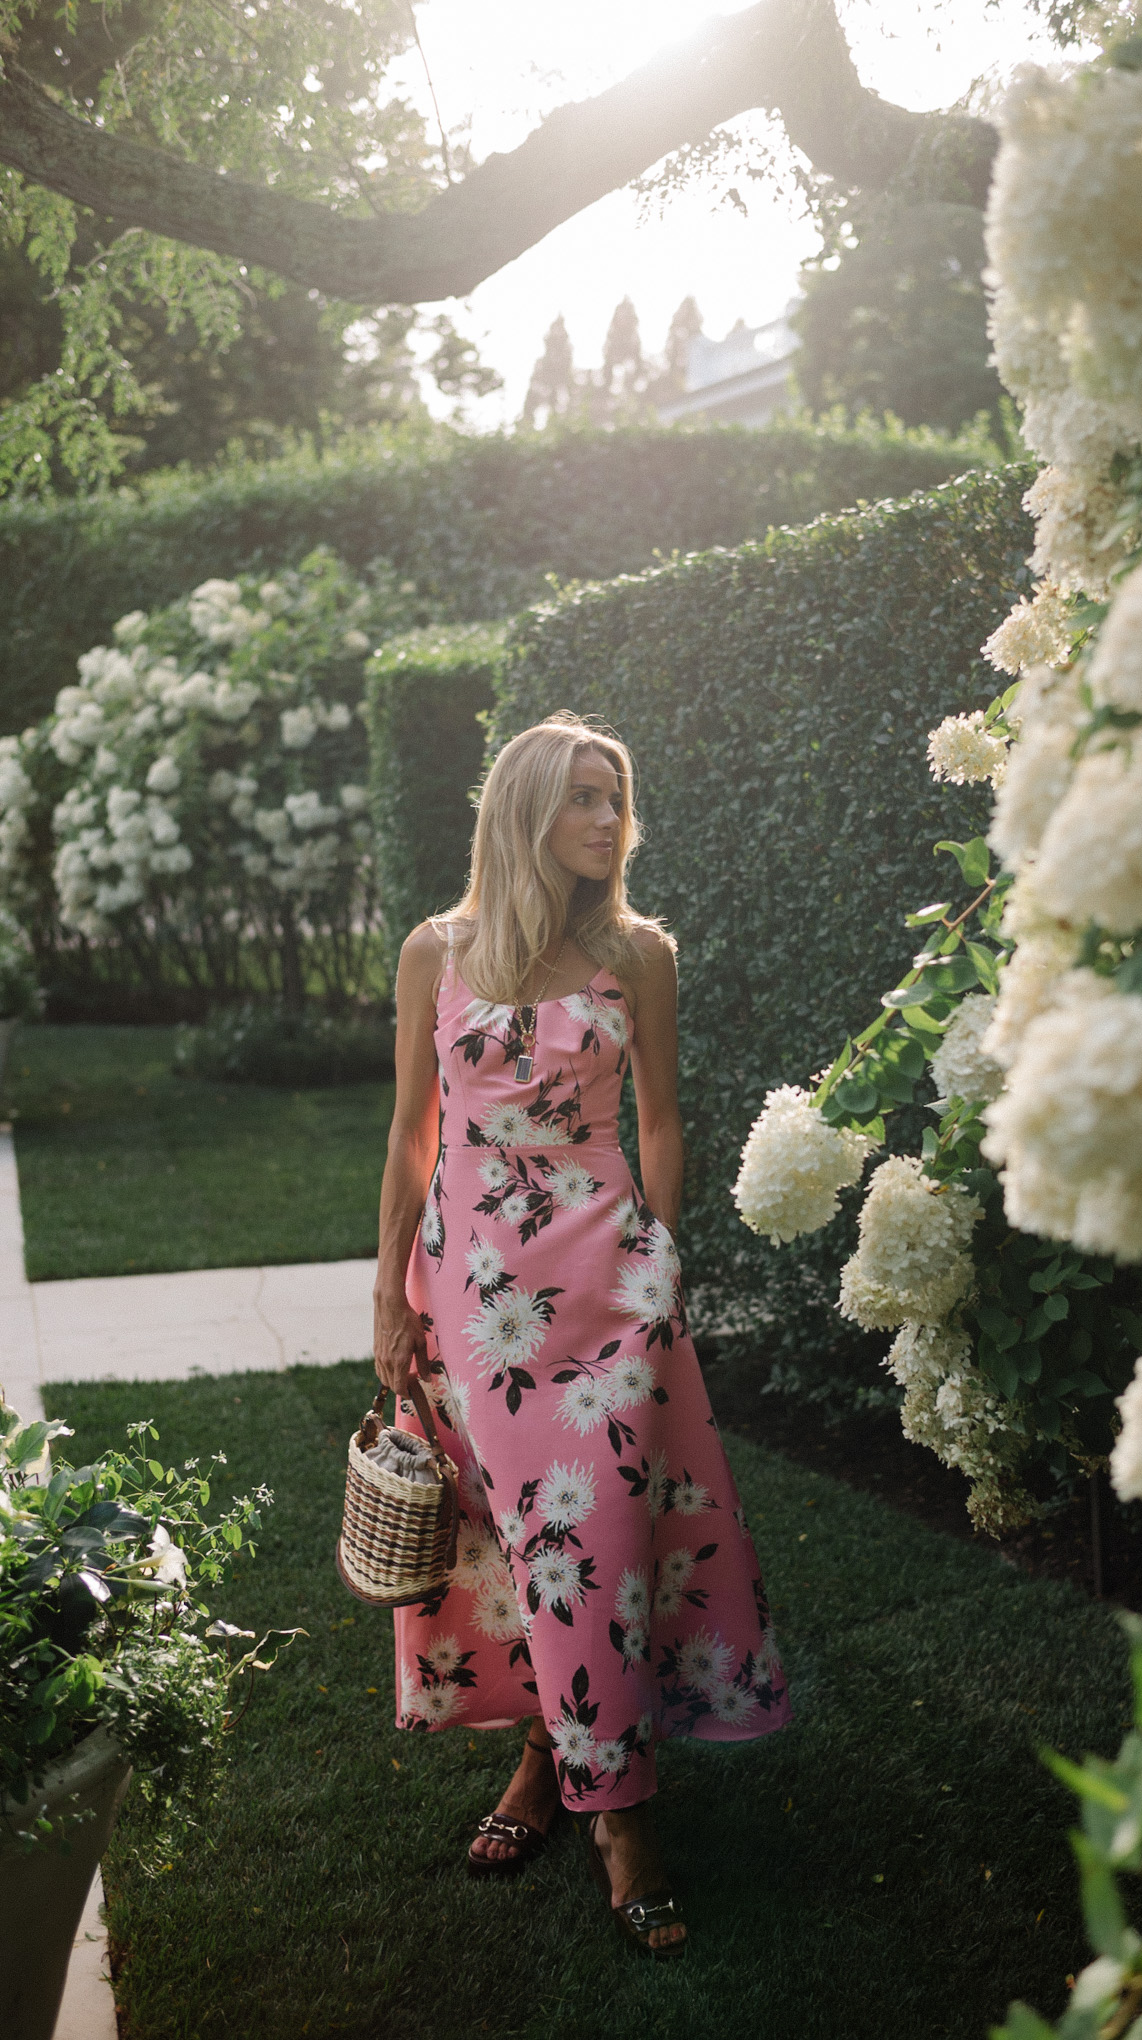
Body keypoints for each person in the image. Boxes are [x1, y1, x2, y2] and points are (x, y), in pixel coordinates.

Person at [371, 713, 790, 1958]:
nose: (610, 822)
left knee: (597, 1527)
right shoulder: (434, 952)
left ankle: (615, 1812)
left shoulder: (638, 952)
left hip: (608, 1274)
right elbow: (410, 1132)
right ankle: (562, 1772)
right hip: (476, 1282)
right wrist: (390, 1293)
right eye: (585, 799)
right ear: (524, 810)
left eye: (618, 800)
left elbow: (659, 1117)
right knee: (526, 1535)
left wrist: (662, 1245)